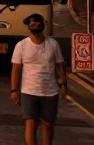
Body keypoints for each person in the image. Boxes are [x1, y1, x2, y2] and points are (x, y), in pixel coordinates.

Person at [10, 12, 67, 145]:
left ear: (43, 25)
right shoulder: (21, 45)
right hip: (28, 91)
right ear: (29, 26)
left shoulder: (53, 44)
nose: (35, 26)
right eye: (32, 24)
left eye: (37, 24)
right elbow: (16, 69)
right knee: (31, 123)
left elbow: (60, 65)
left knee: (48, 125)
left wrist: (64, 84)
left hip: (50, 92)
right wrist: (13, 90)